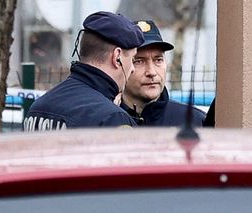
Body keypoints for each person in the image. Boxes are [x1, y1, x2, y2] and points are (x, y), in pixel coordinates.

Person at [25, 14, 189, 130]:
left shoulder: (38, 107)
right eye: (133, 59)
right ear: (117, 56)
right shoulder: (112, 118)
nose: (131, 68)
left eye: (158, 60)